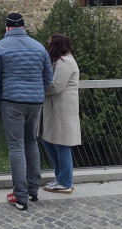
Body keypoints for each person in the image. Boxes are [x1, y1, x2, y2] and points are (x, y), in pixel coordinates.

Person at [0, 12, 52, 211]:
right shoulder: (39, 47)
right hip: (35, 102)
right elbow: (48, 77)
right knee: (31, 142)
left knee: (16, 147)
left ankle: (20, 196)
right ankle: (33, 190)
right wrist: (38, 94)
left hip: (12, 102)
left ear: (7, 28)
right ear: (24, 26)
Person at [40, 33, 81, 194]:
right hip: (55, 109)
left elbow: (56, 86)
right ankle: (61, 178)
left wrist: (37, 90)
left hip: (61, 109)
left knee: (61, 144)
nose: (48, 45)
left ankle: (64, 181)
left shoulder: (65, 62)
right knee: (49, 141)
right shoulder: (61, 60)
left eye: (50, 43)